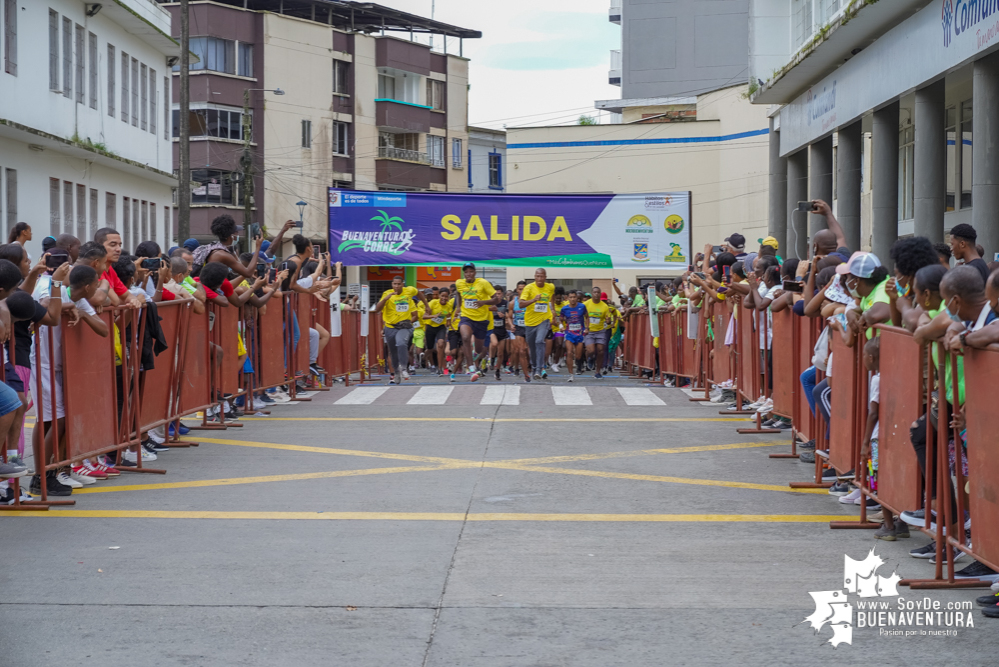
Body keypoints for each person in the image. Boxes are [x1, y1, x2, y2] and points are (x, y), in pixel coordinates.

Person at [372, 275, 428, 383]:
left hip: (404, 327)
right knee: (393, 352)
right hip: (390, 327)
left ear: (402, 284)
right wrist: (385, 299)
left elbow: (418, 296)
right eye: (394, 284)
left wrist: (427, 306)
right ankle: (396, 373)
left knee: (401, 343)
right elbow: (377, 310)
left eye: (399, 284)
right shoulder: (387, 294)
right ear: (392, 284)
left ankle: (403, 368)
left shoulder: (408, 294)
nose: (396, 286)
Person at [453, 263, 501, 382]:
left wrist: (483, 302)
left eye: (471, 271)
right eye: (466, 272)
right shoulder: (459, 283)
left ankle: (474, 355)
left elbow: (497, 299)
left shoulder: (483, 283)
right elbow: (458, 293)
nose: (468, 274)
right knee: (465, 337)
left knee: (479, 350)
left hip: (481, 320)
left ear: (475, 272)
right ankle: (471, 368)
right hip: (466, 317)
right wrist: (459, 307)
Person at [520, 269, 555, 380]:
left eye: (542, 276)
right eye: (538, 276)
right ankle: (535, 366)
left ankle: (539, 369)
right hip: (530, 322)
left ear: (545, 277)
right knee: (532, 346)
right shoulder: (529, 288)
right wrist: (533, 300)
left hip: (544, 319)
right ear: (535, 277)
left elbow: (552, 296)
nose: (540, 279)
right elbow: (521, 304)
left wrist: (552, 309)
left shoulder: (550, 287)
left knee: (539, 341)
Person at [559, 290, 587, 383]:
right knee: (569, 353)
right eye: (570, 297)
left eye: (574, 297)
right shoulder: (564, 309)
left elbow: (587, 317)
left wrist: (587, 328)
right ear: (567, 298)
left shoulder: (582, 307)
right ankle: (571, 374)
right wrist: (561, 326)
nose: (572, 299)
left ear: (576, 298)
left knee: (578, 356)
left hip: (579, 333)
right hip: (569, 333)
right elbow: (560, 320)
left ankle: (578, 364)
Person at [583, 288, 611, 379]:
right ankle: (590, 359)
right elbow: (580, 314)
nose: (596, 294)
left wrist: (608, 321)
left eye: (598, 292)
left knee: (601, 350)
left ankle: (598, 371)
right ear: (592, 294)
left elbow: (608, 320)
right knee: (591, 350)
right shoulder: (586, 304)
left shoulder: (604, 306)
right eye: (594, 292)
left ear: (600, 294)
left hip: (600, 330)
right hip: (589, 330)